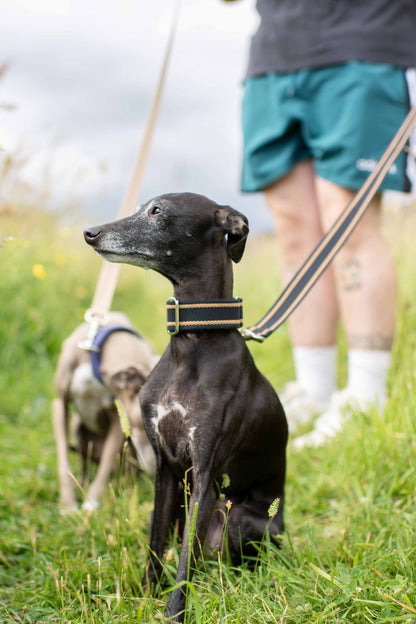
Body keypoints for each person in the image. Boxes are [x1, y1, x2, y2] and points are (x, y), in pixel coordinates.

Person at [227, 0, 416, 446]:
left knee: (347, 224)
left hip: (362, 40)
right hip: (274, 55)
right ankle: (316, 390)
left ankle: (366, 398)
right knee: (294, 230)